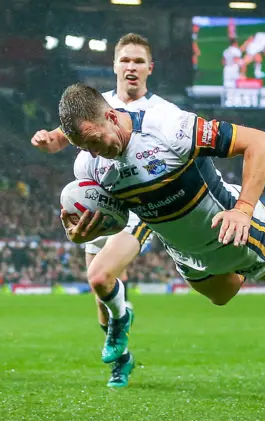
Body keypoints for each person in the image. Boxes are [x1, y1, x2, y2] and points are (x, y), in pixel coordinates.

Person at [57, 83, 265, 370]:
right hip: (183, 249)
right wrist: (81, 232)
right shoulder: (88, 165)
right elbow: (119, 214)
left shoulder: (168, 127)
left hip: (227, 228)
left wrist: (243, 210)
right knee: (221, 296)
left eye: (95, 141)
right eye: (84, 147)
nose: (94, 152)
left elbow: (261, 142)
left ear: (111, 116)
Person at [30, 33, 173, 388]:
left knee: (101, 275)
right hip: (99, 201)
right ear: (114, 66)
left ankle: (120, 326)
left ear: (150, 69)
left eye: (139, 61)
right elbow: (65, 135)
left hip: (139, 206)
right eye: (125, 60)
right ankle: (122, 357)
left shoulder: (164, 113)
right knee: (99, 295)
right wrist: (49, 141)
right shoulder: (98, 103)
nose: (131, 67)